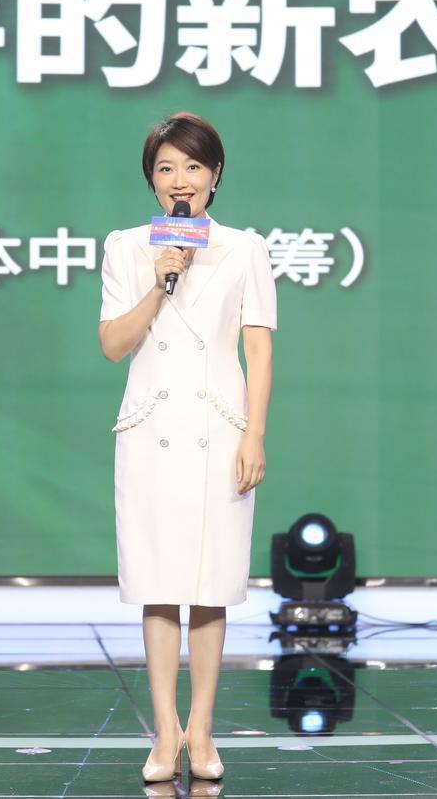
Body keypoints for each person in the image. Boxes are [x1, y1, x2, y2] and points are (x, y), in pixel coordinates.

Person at [97, 112, 277, 783]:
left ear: (215, 175)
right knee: (158, 585)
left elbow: (258, 349)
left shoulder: (245, 248)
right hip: (150, 430)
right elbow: (113, 344)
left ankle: (201, 727)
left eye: (193, 167)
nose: (180, 180)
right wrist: (159, 279)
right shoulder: (126, 247)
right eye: (166, 167)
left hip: (218, 431)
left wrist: (254, 433)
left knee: (208, 586)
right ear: (152, 179)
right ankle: (163, 730)